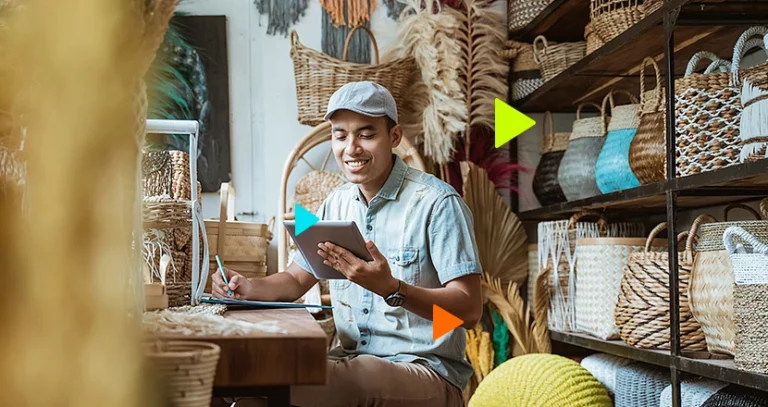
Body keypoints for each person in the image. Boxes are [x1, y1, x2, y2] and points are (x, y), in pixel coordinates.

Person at [212, 81, 483, 407]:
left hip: (425, 370)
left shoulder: (437, 203)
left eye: (366, 134)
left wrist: (392, 288)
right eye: (340, 135)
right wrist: (246, 287)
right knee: (252, 397)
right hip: (351, 361)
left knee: (319, 382)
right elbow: (296, 279)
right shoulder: (335, 203)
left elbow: (469, 309)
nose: (351, 147)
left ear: (394, 137)